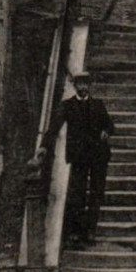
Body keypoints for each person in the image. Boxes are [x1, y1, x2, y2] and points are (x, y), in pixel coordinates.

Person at [44, 72, 114, 248]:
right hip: (79, 156)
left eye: (86, 84)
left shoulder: (98, 104)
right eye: (79, 84)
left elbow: (110, 124)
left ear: (90, 86)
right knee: (78, 194)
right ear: (75, 86)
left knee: (96, 194)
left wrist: (106, 131)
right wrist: (44, 146)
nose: (83, 87)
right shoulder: (67, 106)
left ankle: (91, 231)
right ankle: (76, 232)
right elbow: (54, 127)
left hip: (98, 155)